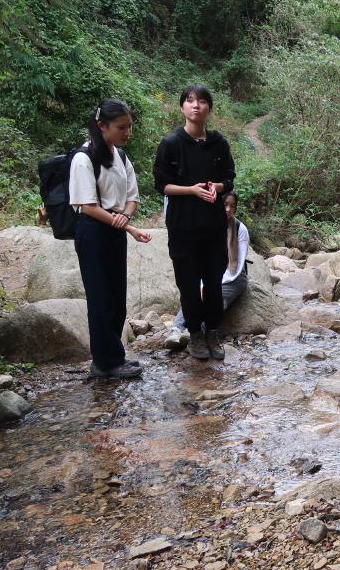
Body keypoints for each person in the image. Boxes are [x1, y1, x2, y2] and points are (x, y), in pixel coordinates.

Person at [69, 99, 152, 379]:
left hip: (115, 230)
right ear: (102, 126)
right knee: (100, 297)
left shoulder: (122, 157)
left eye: (129, 127)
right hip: (92, 232)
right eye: (121, 127)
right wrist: (121, 222)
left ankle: (114, 357)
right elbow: (87, 205)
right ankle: (105, 363)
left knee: (117, 297)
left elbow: (132, 197)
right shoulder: (84, 158)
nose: (127, 132)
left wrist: (125, 218)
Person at [153, 84, 236, 361]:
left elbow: (229, 178)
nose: (196, 106)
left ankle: (212, 332)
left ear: (209, 108)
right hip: (182, 226)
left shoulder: (218, 143)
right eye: (190, 101)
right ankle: (195, 336)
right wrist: (191, 190)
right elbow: (161, 184)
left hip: (213, 225)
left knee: (213, 282)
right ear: (182, 107)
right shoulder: (171, 143)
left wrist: (218, 187)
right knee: (188, 283)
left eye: (202, 101)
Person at [164, 193, 250, 349]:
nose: (228, 209)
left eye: (232, 206)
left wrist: (213, 283)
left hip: (234, 278)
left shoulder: (240, 229)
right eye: (225, 205)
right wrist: (203, 284)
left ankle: (195, 334)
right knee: (193, 295)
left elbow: (237, 267)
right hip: (209, 274)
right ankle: (176, 330)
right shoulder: (207, 226)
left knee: (216, 298)